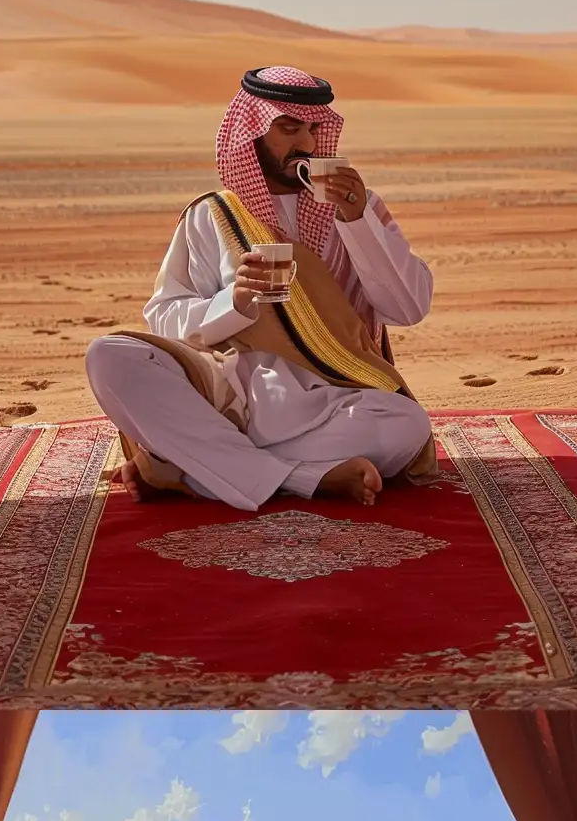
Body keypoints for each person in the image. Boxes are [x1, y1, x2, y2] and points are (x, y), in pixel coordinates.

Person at [85, 67, 437, 512]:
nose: (307, 145)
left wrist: (357, 221)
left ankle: (190, 469)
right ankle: (304, 476)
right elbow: (165, 317)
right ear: (250, 133)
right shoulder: (214, 215)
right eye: (289, 128)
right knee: (109, 355)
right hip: (230, 396)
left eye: (313, 129)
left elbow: (408, 308)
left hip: (336, 395)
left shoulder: (359, 209)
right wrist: (233, 302)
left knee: (404, 425)